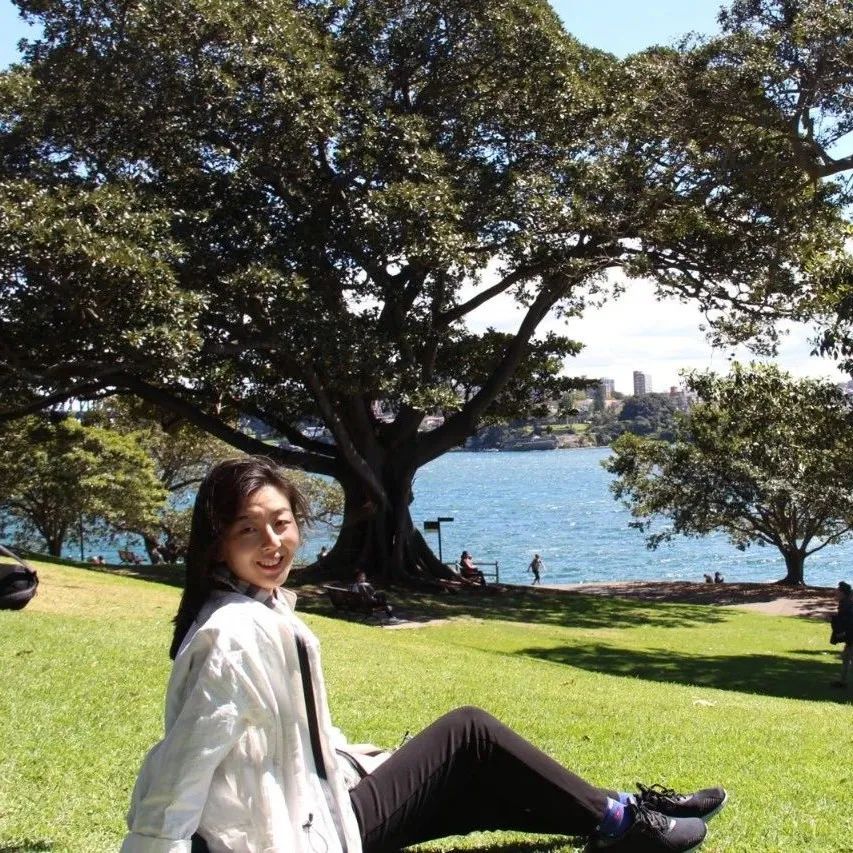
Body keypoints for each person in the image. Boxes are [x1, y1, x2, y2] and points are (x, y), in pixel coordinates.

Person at [121, 456, 727, 853]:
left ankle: (617, 812)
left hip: (317, 812)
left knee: (472, 786)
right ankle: (623, 822)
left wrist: (361, 761)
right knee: (470, 732)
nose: (273, 542)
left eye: (282, 523)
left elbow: (298, 742)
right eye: (248, 530)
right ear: (217, 543)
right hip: (298, 836)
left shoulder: (263, 610)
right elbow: (178, 770)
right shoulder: (234, 634)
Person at [830, 580, 853, 688]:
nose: (835, 592)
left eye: (838, 590)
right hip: (850, 639)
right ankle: (842, 682)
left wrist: (843, 633)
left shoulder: (847, 606)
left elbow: (849, 623)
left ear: (842, 593)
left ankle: (842, 681)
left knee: (848, 657)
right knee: (846, 658)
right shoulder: (845, 604)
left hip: (851, 638)